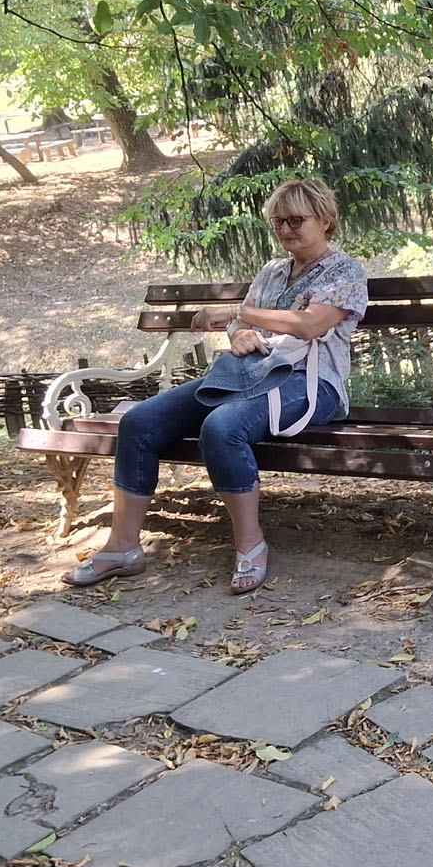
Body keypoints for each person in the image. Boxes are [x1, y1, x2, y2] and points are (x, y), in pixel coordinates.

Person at [61, 178, 368, 594]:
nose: (285, 229)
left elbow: (310, 325)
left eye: (296, 220)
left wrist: (238, 315)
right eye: (278, 222)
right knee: (139, 423)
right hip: (249, 373)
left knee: (222, 428)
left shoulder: (345, 270)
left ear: (325, 221)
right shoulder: (273, 271)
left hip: (311, 384)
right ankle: (122, 548)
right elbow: (244, 324)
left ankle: (250, 545)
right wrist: (240, 334)